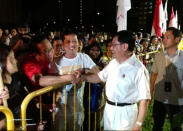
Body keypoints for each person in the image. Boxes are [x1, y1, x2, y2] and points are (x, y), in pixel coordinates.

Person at [76, 30, 151, 130]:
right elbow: (99, 77)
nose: (111, 48)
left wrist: (138, 124)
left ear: (125, 46)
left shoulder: (139, 69)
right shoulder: (113, 63)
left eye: (114, 45)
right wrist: (83, 77)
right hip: (109, 110)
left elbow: (144, 100)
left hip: (126, 114)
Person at [49, 30, 99, 131]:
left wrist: (84, 70)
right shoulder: (56, 61)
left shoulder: (84, 58)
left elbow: (98, 73)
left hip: (78, 109)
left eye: (74, 41)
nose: (72, 44)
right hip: (60, 110)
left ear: (79, 43)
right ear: (63, 44)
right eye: (68, 41)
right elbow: (51, 82)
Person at [150, 27, 183, 131]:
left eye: (167, 37)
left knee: (176, 127)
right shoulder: (158, 56)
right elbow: (154, 75)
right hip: (159, 98)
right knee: (157, 126)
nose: (164, 39)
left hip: (177, 100)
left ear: (177, 39)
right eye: (164, 37)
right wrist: (150, 94)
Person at [0, 44, 28, 129]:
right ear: (2, 62)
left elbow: (26, 97)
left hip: (23, 121)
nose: (16, 61)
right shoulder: (0, 86)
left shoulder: (17, 77)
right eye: (11, 58)